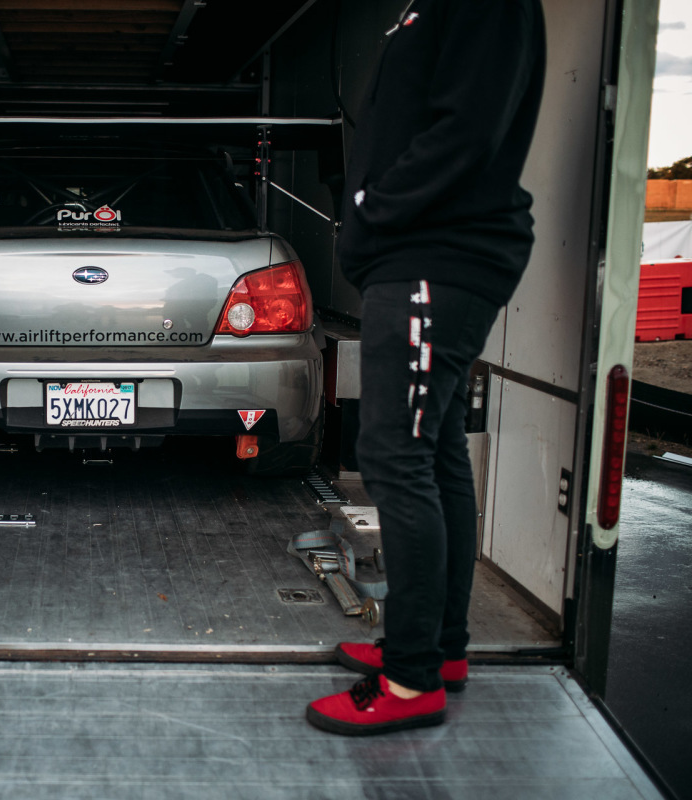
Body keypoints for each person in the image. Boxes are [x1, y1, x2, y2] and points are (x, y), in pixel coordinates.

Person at [307, 0, 547, 735]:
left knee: (395, 454)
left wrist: (373, 210)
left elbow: (468, 129)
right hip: (425, 250)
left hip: (434, 253)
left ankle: (411, 680)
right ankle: (439, 650)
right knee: (434, 449)